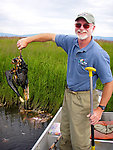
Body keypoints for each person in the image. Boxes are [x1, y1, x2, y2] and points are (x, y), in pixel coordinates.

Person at [17, 12, 113, 150]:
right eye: (78, 24)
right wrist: (28, 40)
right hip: (68, 95)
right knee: (66, 136)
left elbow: (109, 83)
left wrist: (100, 109)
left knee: (80, 143)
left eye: (86, 25)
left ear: (93, 28)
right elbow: (50, 36)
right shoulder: (71, 42)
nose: (82, 28)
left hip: (84, 99)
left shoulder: (98, 54)